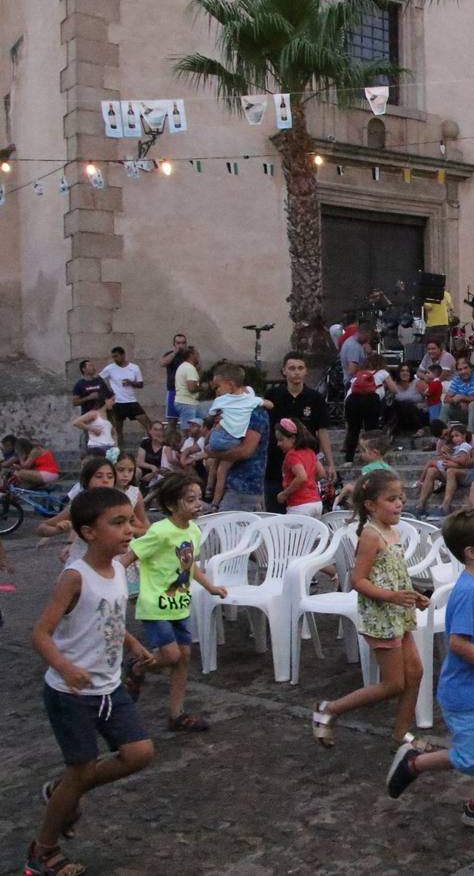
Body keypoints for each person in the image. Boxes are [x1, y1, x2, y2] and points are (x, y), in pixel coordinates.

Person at [26, 487, 155, 876]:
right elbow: (41, 633)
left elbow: (110, 618)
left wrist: (132, 643)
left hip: (109, 687)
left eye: (130, 519)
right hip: (71, 693)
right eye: (118, 523)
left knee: (140, 753)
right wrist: (65, 667)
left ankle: (64, 792)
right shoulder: (74, 577)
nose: (130, 529)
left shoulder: (118, 568)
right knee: (79, 770)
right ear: (88, 532)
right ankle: (43, 850)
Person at [384, 507, 474, 830]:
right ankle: (414, 763)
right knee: (469, 757)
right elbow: (459, 643)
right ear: (473, 552)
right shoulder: (467, 592)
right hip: (468, 694)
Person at [311, 470, 431, 750]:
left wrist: (413, 594)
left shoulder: (394, 532)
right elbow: (358, 581)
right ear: (371, 505)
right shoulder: (370, 535)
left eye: (400, 497)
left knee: (415, 673)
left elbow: (394, 574)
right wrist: (392, 596)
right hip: (381, 618)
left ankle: (402, 733)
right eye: (391, 499)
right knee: (393, 684)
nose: (399, 504)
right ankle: (329, 709)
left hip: (398, 614)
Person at [121, 474, 227, 732]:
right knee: (171, 654)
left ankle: (176, 714)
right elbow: (129, 557)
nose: (197, 504)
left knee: (183, 657)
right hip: (155, 607)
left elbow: (189, 567)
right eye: (190, 500)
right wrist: (107, 581)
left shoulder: (193, 531)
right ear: (171, 505)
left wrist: (210, 586)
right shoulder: (159, 532)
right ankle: (136, 666)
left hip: (180, 605)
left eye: (199, 498)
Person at [263, 353, 336, 514]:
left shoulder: (315, 398)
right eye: (292, 368)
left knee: (302, 511)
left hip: (305, 464)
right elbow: (264, 428)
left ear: (306, 371)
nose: (296, 372)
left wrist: (330, 463)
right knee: (275, 513)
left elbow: (322, 431)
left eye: (300, 368)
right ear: (284, 371)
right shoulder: (273, 396)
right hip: (276, 462)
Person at [205, 364, 270, 513]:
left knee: (232, 535)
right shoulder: (227, 409)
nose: (216, 393)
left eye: (217, 387)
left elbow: (246, 451)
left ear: (230, 385)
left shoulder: (255, 411)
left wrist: (213, 453)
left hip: (244, 488)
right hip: (232, 487)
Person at [99, 346, 154, 446]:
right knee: (118, 429)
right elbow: (99, 379)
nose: (115, 359)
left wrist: (131, 383)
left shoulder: (134, 368)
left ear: (123, 355)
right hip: (117, 402)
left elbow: (141, 384)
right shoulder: (110, 368)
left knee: (147, 423)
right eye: (113, 357)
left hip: (131, 401)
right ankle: (120, 453)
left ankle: (154, 446)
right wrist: (107, 391)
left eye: (116, 356)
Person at [274, 418, 323, 517]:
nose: (278, 444)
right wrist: (310, 481)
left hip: (299, 505)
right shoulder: (310, 451)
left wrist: (285, 494)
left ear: (292, 438)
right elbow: (321, 473)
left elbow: (302, 477)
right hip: (316, 503)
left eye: (281, 440)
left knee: (292, 532)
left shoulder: (292, 455)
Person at [444, 357, 474, 435]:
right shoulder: (456, 379)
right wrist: (458, 401)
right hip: (462, 410)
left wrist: (462, 397)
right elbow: (446, 399)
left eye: (465, 368)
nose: (463, 371)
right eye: (460, 370)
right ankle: (442, 435)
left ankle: (469, 435)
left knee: (473, 404)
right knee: (446, 406)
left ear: (471, 368)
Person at [170, 346, 205, 430]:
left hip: (186, 402)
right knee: (189, 431)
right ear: (191, 355)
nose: (198, 357)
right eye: (197, 354)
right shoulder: (189, 368)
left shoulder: (184, 366)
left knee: (194, 430)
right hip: (188, 404)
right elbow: (191, 388)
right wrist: (203, 387)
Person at [159, 333, 189, 422]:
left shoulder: (189, 355)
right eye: (178, 343)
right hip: (173, 391)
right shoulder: (170, 354)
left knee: (187, 422)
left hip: (187, 392)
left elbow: (198, 367)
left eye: (183, 343)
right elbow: (162, 363)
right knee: (172, 422)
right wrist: (175, 352)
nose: (181, 345)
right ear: (174, 344)